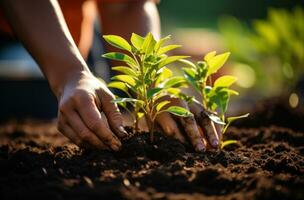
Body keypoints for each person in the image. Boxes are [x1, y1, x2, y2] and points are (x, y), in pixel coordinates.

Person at [0, 0, 221, 152]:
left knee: (89, 111)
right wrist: (70, 74)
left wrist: (155, 87)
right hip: (11, 29)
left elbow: (124, 5)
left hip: (73, 37)